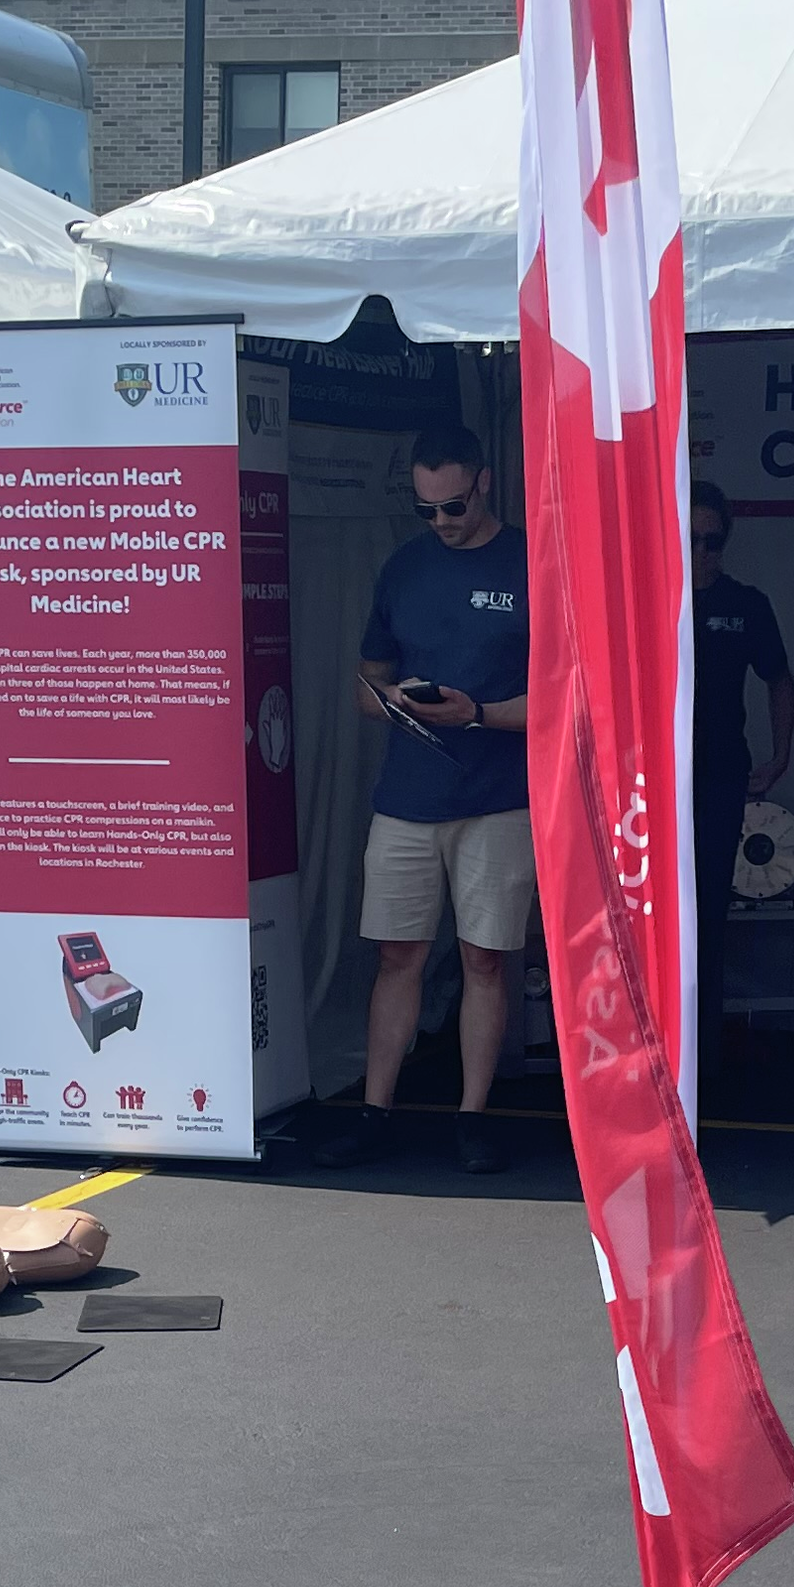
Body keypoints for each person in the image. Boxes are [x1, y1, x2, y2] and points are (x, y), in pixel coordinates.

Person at [335, 424, 531, 1174]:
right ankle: (375, 1109)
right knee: (397, 953)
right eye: (425, 510)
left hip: (497, 795)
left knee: (485, 960)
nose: (441, 524)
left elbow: (569, 699)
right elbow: (363, 681)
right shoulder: (405, 567)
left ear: (482, 482)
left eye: (451, 507)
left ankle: (472, 1117)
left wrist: (478, 713)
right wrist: (400, 703)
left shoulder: (531, 564)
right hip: (409, 792)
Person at [688, 483, 794, 946]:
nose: (701, 550)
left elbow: (780, 679)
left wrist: (780, 757)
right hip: (647, 779)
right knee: (645, 905)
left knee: (710, 906)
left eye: (711, 540)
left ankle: (706, 1020)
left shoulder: (746, 604)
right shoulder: (641, 599)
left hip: (719, 773)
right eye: (689, 537)